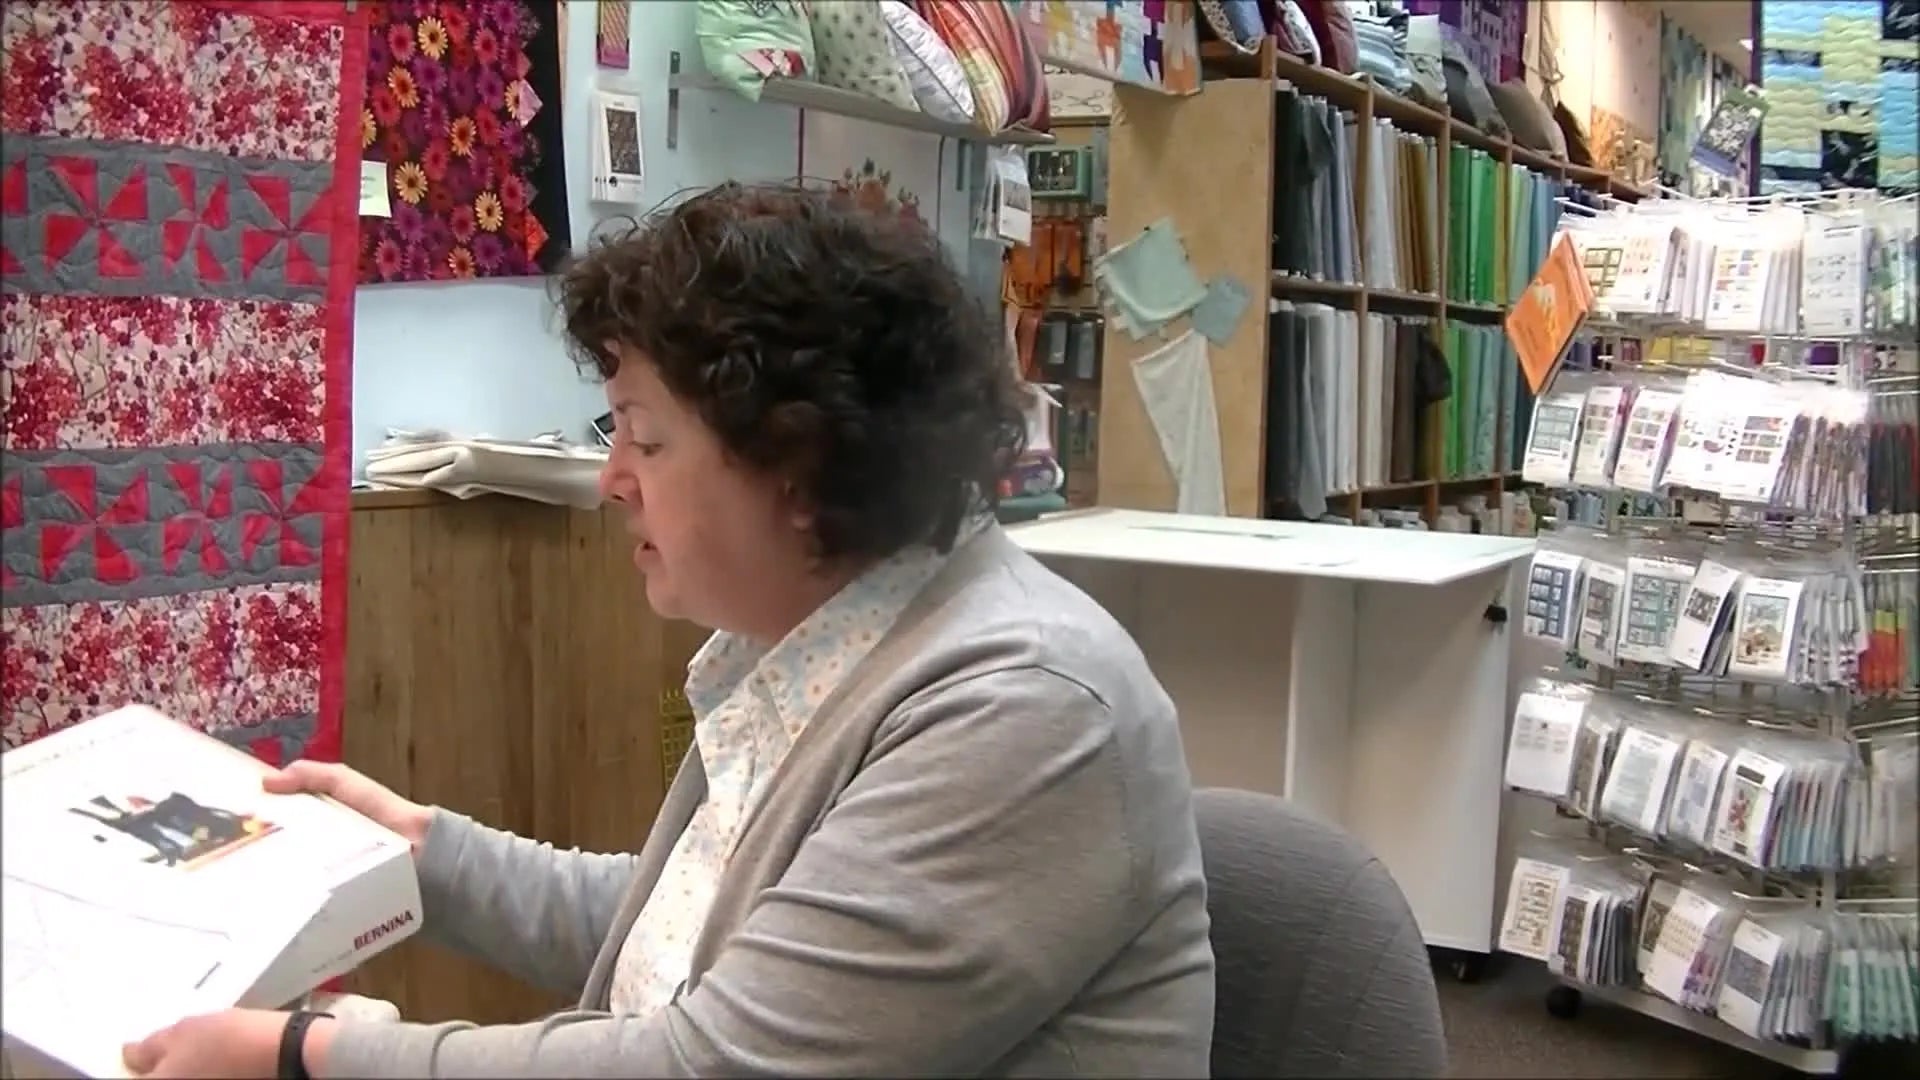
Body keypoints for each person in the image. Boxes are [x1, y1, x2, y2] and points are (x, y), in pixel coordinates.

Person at [123, 181, 1215, 1078]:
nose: (609, 481)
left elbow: (715, 1065)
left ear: (796, 461)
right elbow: (684, 920)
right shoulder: (821, 640)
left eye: (643, 439)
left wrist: (306, 1059)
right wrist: (417, 855)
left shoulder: (1019, 708)